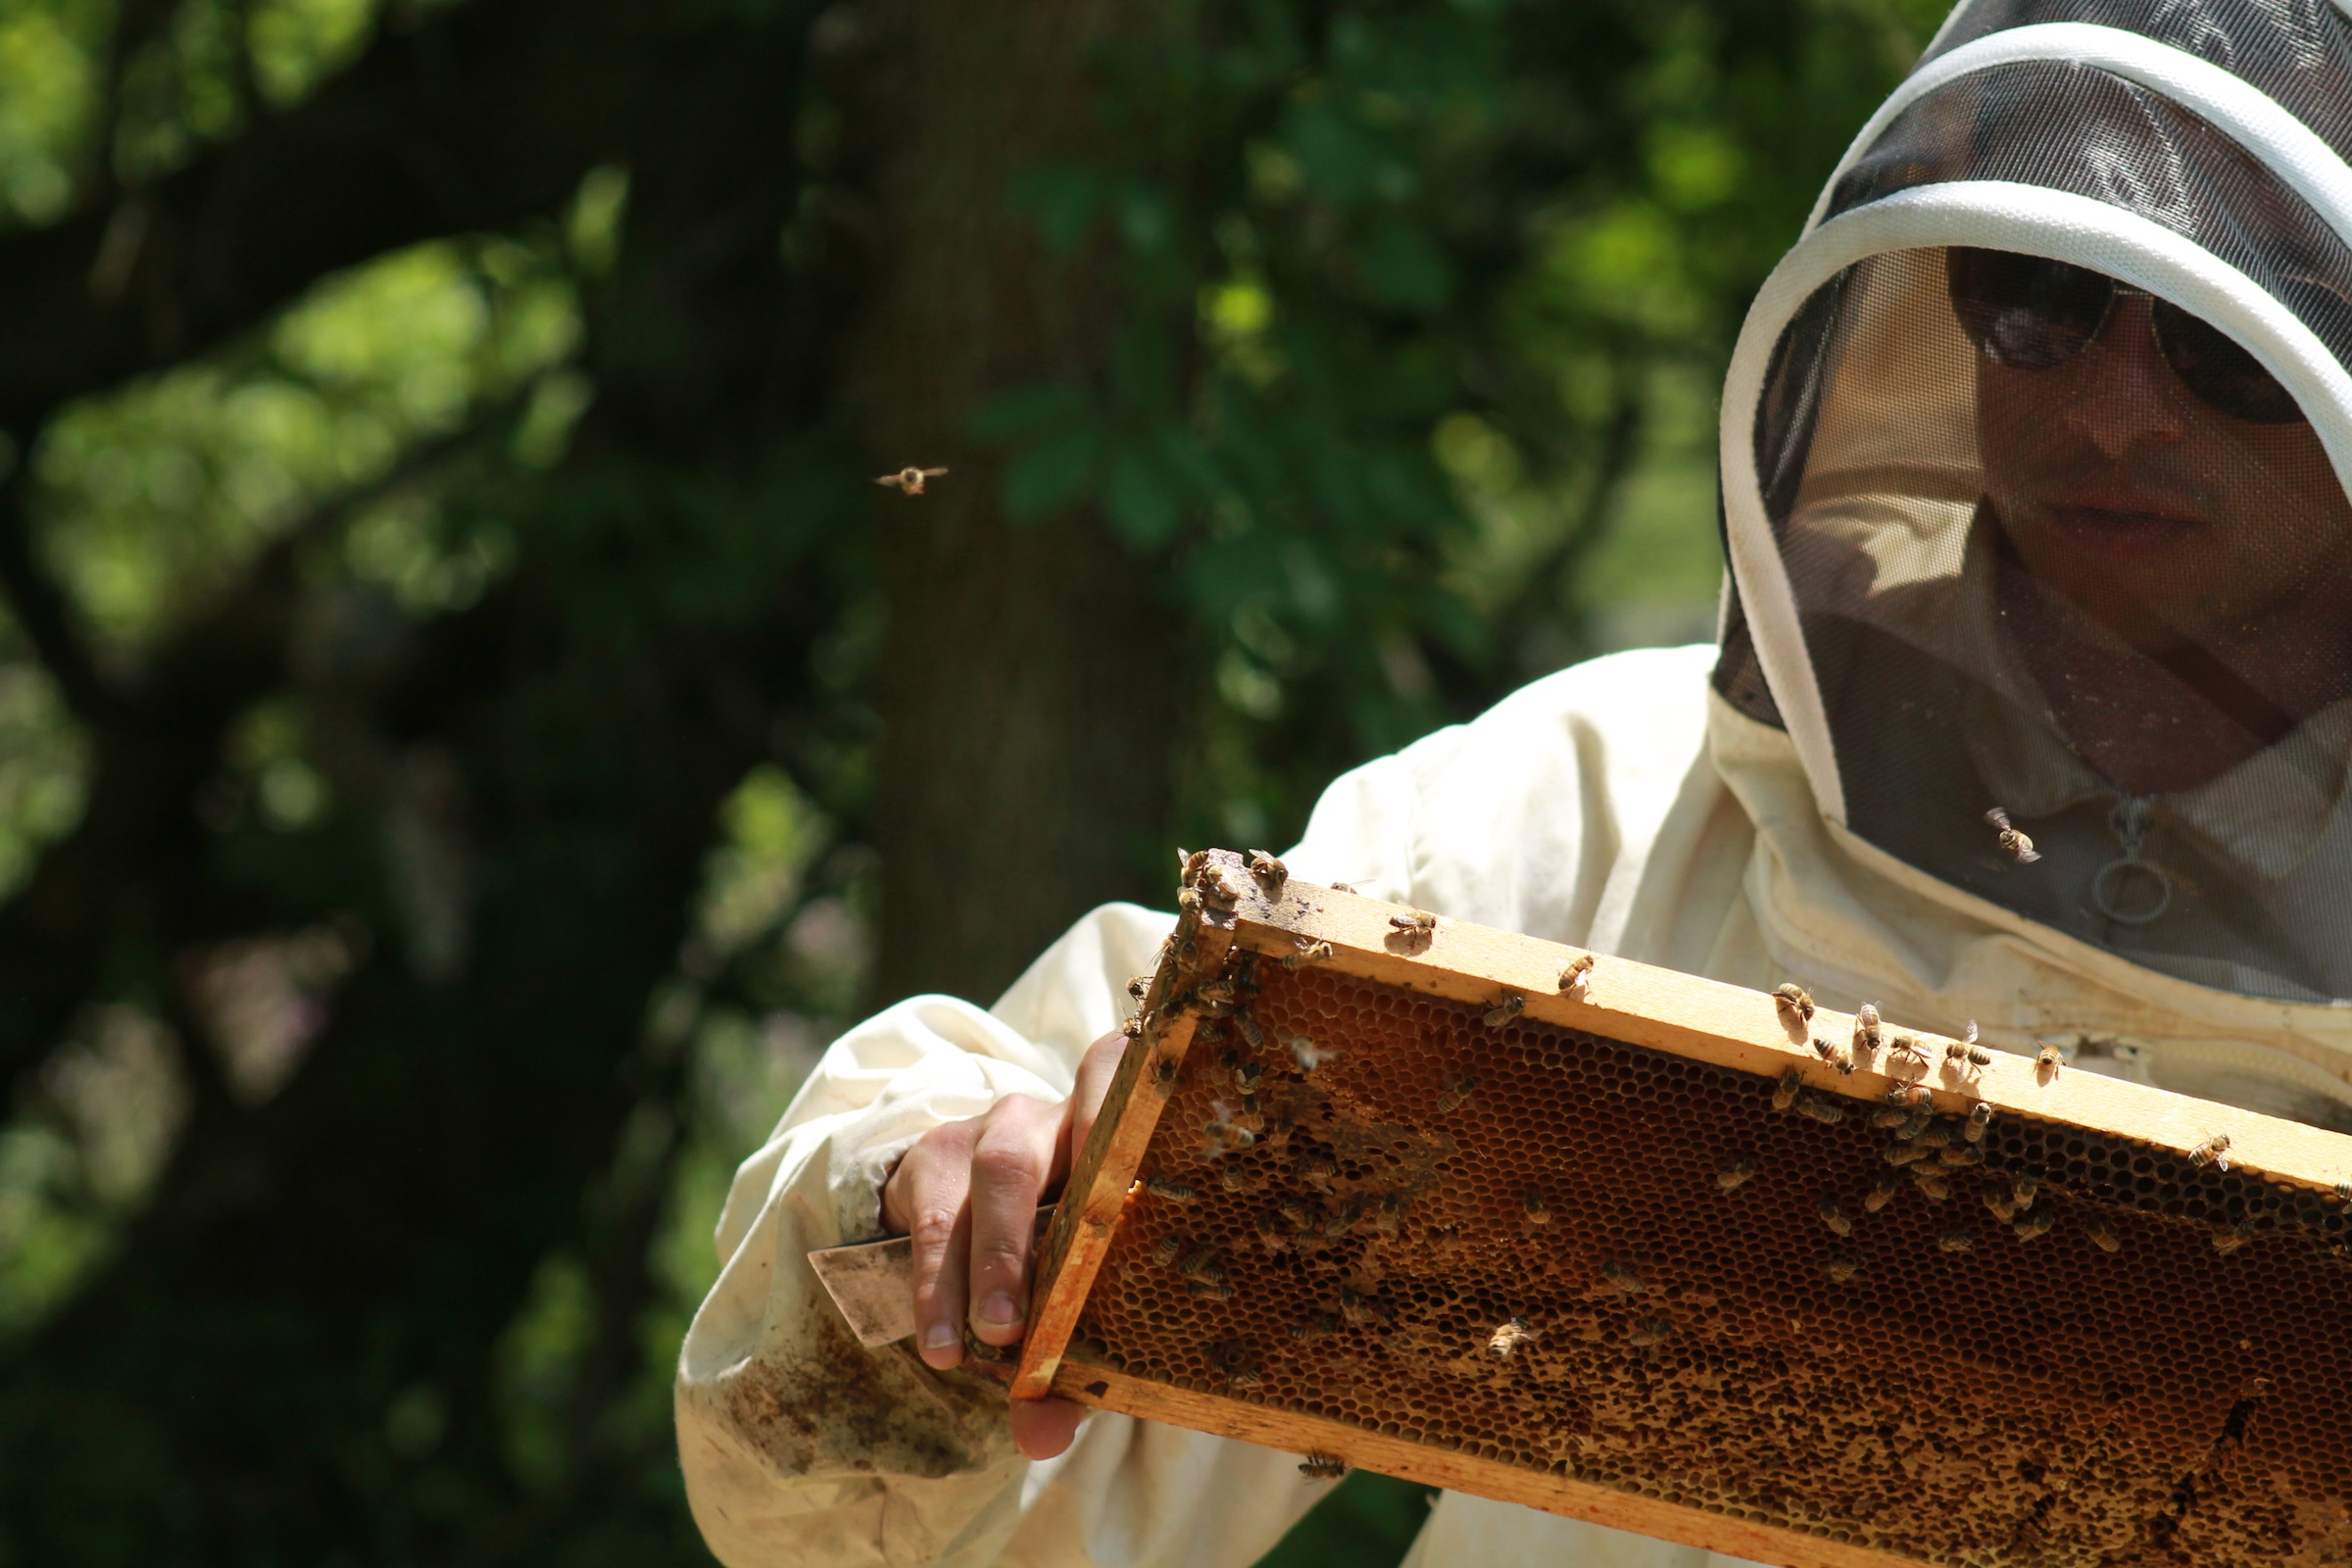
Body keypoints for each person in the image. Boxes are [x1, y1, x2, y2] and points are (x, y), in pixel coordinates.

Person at [675, 4, 2352, 1565]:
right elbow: (878, 1524)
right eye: (2045, 298)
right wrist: (944, 1232)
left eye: (2231, 333)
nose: (2116, 408)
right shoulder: (1595, 809)